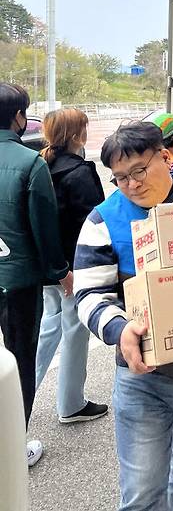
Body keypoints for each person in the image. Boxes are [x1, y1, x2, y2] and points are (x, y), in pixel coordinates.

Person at [74, 122, 173, 510]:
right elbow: (88, 294)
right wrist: (120, 329)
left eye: (138, 171)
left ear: (166, 156)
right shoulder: (103, 221)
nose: (130, 184)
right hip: (143, 379)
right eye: (119, 178)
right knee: (142, 494)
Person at [0, 83, 69, 467]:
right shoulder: (30, 164)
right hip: (20, 281)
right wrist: (60, 272)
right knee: (19, 360)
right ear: (18, 118)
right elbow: (45, 228)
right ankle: (12, 448)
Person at [35, 108, 108, 424]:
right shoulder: (79, 173)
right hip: (73, 268)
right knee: (76, 331)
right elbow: (91, 223)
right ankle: (71, 404)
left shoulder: (41, 166)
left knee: (49, 327)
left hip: (48, 266)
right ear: (78, 135)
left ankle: (18, 390)